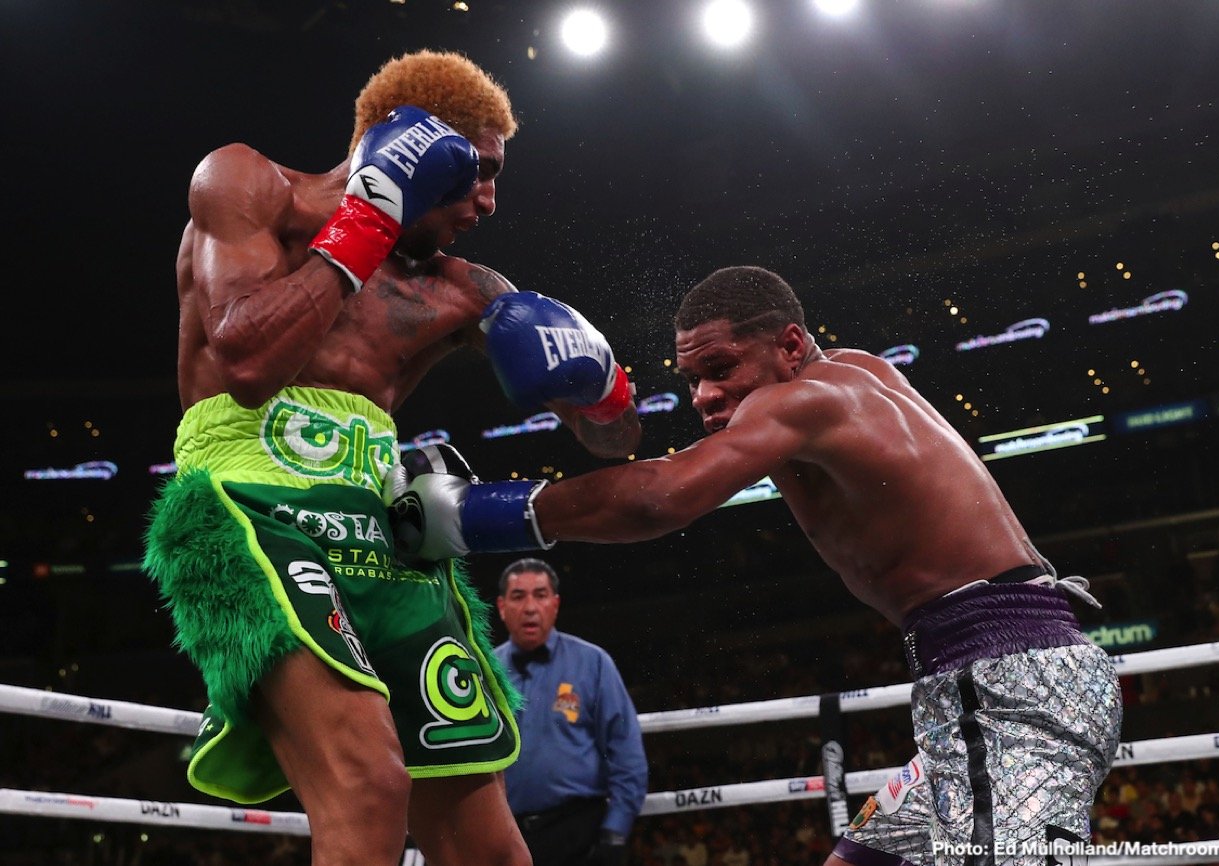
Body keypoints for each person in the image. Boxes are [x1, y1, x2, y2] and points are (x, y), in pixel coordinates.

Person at [399, 266, 1124, 865]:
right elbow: (636, 459)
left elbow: (662, 499)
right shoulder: (854, 375)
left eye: (721, 368)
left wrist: (469, 514)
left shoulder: (800, 403)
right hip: (990, 678)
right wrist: (607, 405)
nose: (706, 395)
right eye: (691, 378)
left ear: (789, 345)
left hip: (1008, 687)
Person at [142, 50, 640, 866]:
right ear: (408, 147)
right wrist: (370, 213)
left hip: (382, 532)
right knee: (370, 786)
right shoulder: (248, 185)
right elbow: (246, 362)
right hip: (249, 504)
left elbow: (611, 440)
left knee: (487, 840)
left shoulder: (463, 287)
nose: (489, 200)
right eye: (477, 171)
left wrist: (605, 388)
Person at [493, 558, 648, 866]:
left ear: (555, 604)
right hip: (503, 834)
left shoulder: (593, 663)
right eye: (518, 596)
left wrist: (615, 831)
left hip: (579, 831)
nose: (530, 607)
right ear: (501, 607)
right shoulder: (486, 670)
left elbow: (626, 753)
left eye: (540, 595)